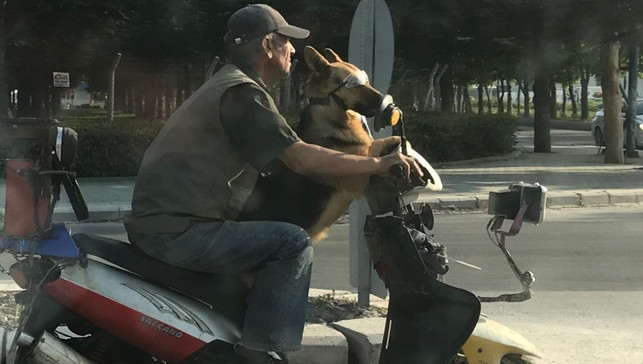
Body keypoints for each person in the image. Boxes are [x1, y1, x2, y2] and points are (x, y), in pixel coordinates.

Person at [124, 3, 422, 363]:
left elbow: (280, 164)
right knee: (291, 242)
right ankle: (263, 352)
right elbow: (301, 158)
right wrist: (376, 164)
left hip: (173, 225)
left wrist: (374, 158)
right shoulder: (243, 93)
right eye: (286, 41)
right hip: (179, 232)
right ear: (268, 46)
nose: (293, 51)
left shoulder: (229, 84)